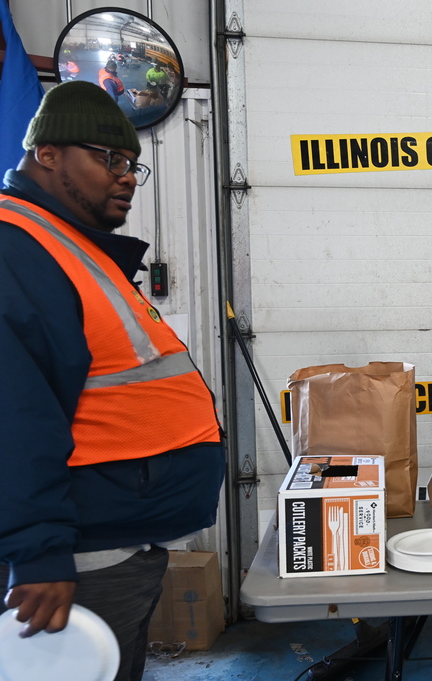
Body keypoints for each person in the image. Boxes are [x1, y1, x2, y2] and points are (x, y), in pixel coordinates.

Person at [0, 81, 225, 681]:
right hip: (77, 556)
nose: (126, 176)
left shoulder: (66, 244)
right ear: (47, 154)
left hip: (111, 541)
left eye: (132, 165)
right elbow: (14, 417)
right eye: (110, 160)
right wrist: (40, 551)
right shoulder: (15, 250)